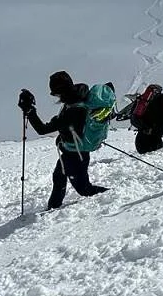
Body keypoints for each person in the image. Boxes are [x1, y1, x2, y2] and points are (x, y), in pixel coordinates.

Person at [18, 71, 109, 210]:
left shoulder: (73, 110)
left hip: (76, 156)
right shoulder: (75, 99)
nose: (57, 97)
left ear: (63, 91)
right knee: (58, 177)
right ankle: (53, 208)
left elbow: (42, 129)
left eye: (57, 94)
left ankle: (111, 195)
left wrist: (30, 111)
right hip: (71, 152)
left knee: (84, 189)